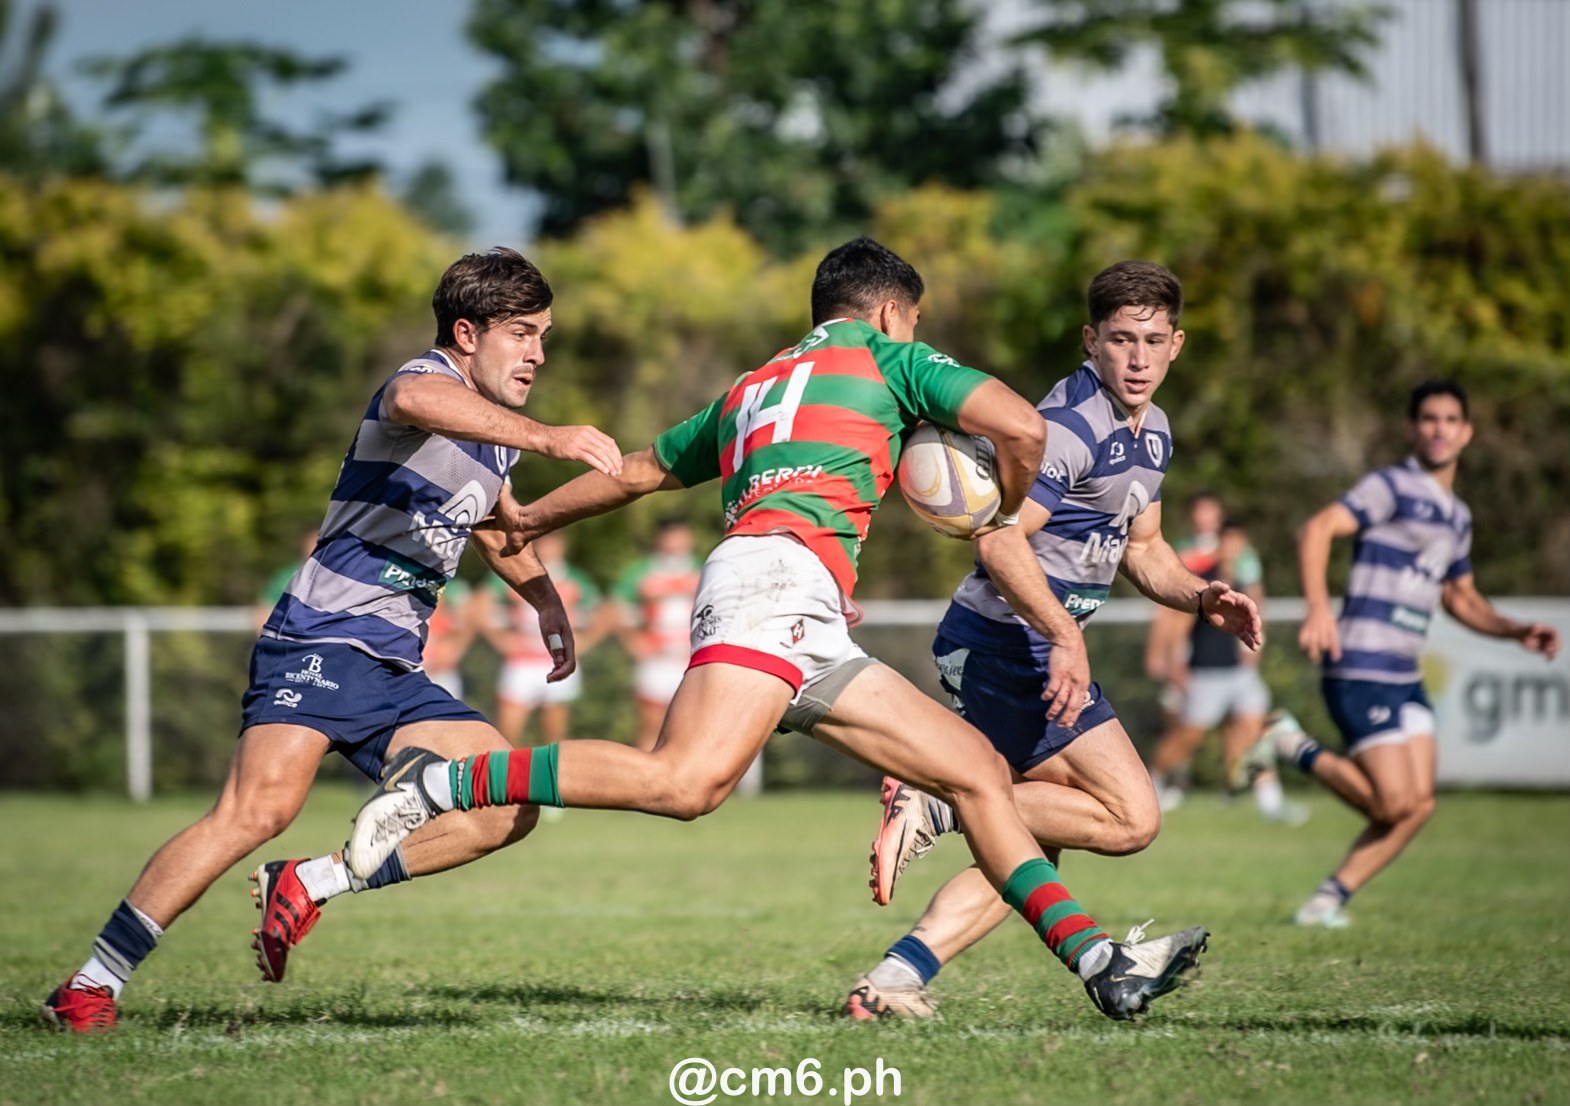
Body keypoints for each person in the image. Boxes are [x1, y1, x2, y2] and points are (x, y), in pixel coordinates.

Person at [344, 238, 1211, 1021]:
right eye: (913, 321)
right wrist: (1003, 508)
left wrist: (532, 519)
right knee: (684, 783)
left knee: (976, 773)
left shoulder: (753, 386)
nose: (914, 334)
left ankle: (1100, 964)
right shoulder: (891, 356)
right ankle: (445, 784)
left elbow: (639, 471)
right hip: (774, 585)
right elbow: (1022, 425)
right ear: (889, 312)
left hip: (800, 601)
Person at [41, 247, 622, 1032]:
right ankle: (88, 986)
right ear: (466, 332)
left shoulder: (495, 436)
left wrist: (546, 601)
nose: (538, 354)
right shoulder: (426, 382)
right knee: (254, 811)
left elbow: (493, 524)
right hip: (322, 637)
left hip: (394, 665)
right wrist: (551, 437)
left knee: (505, 802)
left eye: (543, 336)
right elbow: (412, 399)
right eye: (522, 333)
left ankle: (311, 882)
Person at [841, 260, 1262, 1020]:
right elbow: (997, 539)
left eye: (1154, 341)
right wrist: (1064, 632)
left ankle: (894, 979)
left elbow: (1144, 550)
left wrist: (1202, 596)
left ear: (1177, 345)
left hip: (1023, 646)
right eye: (1122, 340)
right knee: (1130, 819)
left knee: (1032, 845)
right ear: (1090, 340)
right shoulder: (1070, 429)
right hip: (1007, 644)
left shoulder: (1154, 432)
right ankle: (942, 799)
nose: (1138, 358)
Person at [1261, 379, 1559, 927]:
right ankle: (1287, 742)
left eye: (1450, 420)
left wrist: (1514, 630)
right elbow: (1317, 529)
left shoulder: (1458, 516)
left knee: (1419, 806)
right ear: (1411, 428)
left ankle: (1327, 900)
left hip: (1404, 672)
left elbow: (1460, 597)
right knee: (1392, 804)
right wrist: (1318, 608)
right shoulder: (1392, 487)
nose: (1438, 429)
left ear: (1466, 433)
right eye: (1428, 419)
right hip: (1361, 662)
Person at [1145, 516, 1305, 824]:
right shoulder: (1204, 581)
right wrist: (1176, 665)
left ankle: (1269, 803)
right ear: (1220, 543)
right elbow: (1179, 623)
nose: (1234, 548)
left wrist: (1252, 655)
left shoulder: (1244, 583)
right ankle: (1153, 784)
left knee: (1256, 733)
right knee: (1186, 738)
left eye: (1238, 542)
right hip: (1205, 673)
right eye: (1229, 541)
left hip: (1239, 675)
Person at [482, 531, 610, 748]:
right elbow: (480, 603)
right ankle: (506, 771)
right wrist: (500, 639)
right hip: (521, 661)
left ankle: (550, 772)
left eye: (553, 542)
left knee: (555, 737)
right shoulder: (515, 572)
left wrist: (586, 640)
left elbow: (605, 610)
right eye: (542, 542)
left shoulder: (575, 579)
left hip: (556, 660)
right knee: (506, 734)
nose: (547, 547)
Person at [611, 516, 703, 751]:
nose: (675, 542)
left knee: (693, 728)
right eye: (669, 536)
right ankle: (643, 774)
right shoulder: (641, 571)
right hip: (656, 659)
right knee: (650, 727)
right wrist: (633, 641)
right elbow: (616, 609)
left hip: (692, 659)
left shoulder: (703, 570)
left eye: (679, 535)